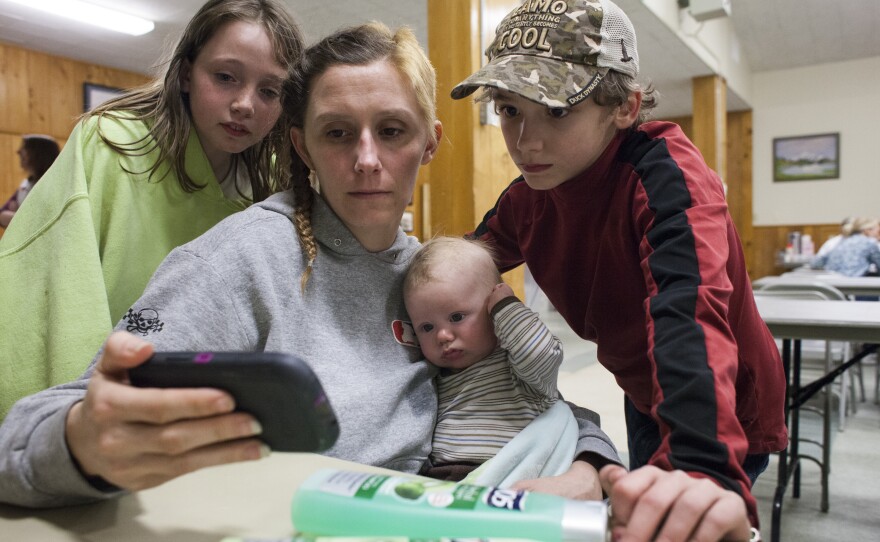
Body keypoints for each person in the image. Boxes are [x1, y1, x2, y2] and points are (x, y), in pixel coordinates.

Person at [0, 21, 619, 509]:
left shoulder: (434, 276)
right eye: (338, 133)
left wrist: (591, 468)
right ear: (302, 145)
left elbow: (534, 399)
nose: (368, 159)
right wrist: (83, 444)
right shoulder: (241, 261)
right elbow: (28, 435)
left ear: (429, 143)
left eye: (393, 131)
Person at [450, 0, 786, 539]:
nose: (525, 143)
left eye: (556, 111)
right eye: (510, 110)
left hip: (718, 403)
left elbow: (688, 309)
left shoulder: (668, 178)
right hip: (640, 387)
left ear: (624, 107)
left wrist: (701, 466)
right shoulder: (526, 198)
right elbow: (456, 268)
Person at [0, 0, 305, 419]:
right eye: (225, 77)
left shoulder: (276, 185)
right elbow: (57, 291)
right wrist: (75, 417)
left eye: (269, 90)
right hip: (98, 404)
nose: (245, 104)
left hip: (210, 413)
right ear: (185, 73)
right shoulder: (112, 144)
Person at [404, 236, 572, 482]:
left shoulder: (518, 367)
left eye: (457, 317)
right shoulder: (434, 375)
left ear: (491, 308)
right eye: (427, 327)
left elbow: (541, 353)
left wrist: (507, 307)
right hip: (447, 475)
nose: (442, 335)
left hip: (510, 472)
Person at [0, 134, 60, 229]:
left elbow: (43, 220)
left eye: (24, 148)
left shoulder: (56, 184)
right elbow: (2, 214)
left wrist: (16, 215)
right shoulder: (26, 185)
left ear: (39, 154)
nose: (18, 152)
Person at [811, 216, 880, 277]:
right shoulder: (869, 243)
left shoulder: (841, 241)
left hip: (832, 284)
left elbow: (816, 263)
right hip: (854, 285)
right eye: (878, 231)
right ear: (868, 230)